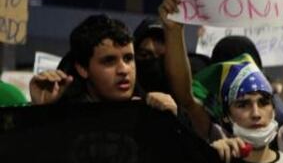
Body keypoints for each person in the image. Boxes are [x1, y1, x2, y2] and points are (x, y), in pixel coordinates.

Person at [159, 0, 283, 163]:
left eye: (264, 102)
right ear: (226, 116)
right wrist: (173, 31)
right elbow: (186, 100)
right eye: (243, 104)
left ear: (274, 109)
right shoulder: (217, 160)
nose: (256, 113)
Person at [28, 14, 176, 115]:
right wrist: (41, 112)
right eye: (109, 61)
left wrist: (170, 124)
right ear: (82, 68)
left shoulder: (152, 110)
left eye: (128, 58)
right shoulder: (63, 115)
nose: (124, 70)